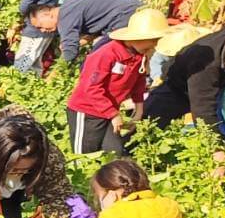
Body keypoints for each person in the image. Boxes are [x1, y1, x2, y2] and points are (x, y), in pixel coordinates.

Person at [142, 19, 225, 137]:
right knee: (147, 129)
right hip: (177, 87)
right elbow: (203, 110)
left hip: (219, 87)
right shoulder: (203, 63)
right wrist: (215, 148)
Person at [65, 8, 169, 155]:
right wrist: (114, 115)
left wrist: (139, 109)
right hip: (87, 112)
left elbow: (138, 81)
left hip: (109, 112)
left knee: (116, 154)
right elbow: (92, 88)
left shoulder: (139, 55)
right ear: (138, 37)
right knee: (86, 157)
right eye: (153, 40)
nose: (154, 45)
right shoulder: (106, 54)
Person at [51, 0, 145, 64]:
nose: (43, 30)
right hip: (133, 9)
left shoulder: (64, 15)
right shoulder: (71, 6)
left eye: (40, 26)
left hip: (123, 15)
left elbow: (69, 53)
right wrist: (81, 41)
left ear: (47, 14)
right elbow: (100, 24)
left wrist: (57, 71)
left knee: (96, 60)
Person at [13, 0, 63, 73]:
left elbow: (24, 7)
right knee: (36, 62)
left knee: (23, 63)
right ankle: (34, 85)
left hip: (35, 29)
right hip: (49, 26)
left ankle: (18, 85)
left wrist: (21, 19)